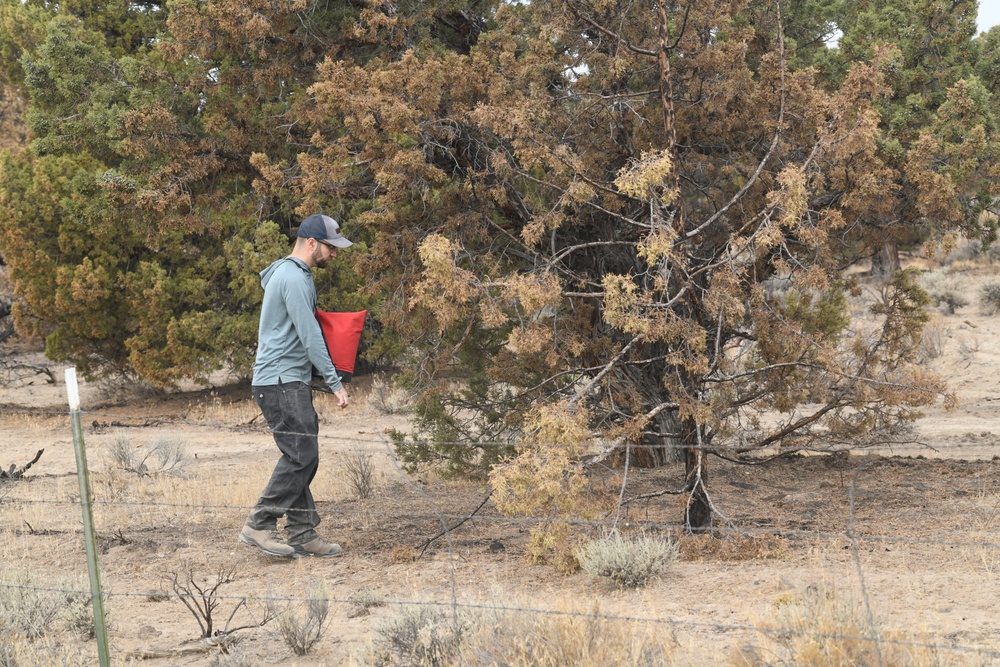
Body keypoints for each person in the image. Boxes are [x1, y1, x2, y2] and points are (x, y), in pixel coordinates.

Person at [238, 214, 353, 558]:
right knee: (301, 454)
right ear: (312, 243)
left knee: (302, 455)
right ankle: (260, 523)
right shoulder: (293, 278)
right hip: (280, 382)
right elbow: (309, 333)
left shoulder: (290, 274)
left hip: (285, 381)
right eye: (331, 248)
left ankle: (302, 532)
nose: (334, 255)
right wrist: (334, 382)